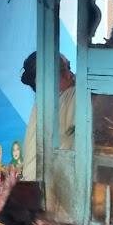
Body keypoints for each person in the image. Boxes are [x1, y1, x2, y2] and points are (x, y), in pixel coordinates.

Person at [21, 51, 75, 180]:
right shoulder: (65, 98)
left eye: (69, 67)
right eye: (62, 71)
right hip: (42, 191)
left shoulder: (43, 102)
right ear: (46, 80)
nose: (71, 75)